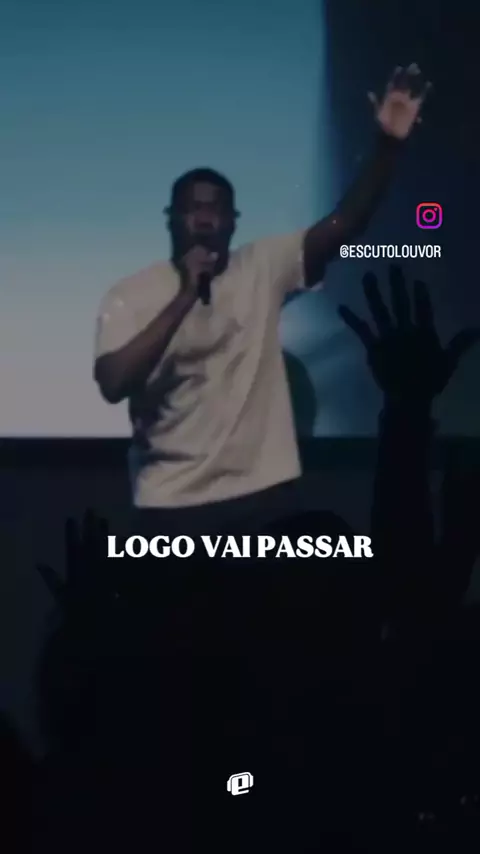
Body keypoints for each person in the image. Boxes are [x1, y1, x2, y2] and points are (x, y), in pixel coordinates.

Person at [94, 64, 430, 511]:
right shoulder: (130, 295)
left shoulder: (261, 266)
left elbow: (345, 224)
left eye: (217, 209)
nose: (205, 218)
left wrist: (387, 147)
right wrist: (186, 296)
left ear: (234, 222)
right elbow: (114, 382)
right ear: (171, 219)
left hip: (261, 496)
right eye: (192, 208)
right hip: (169, 503)